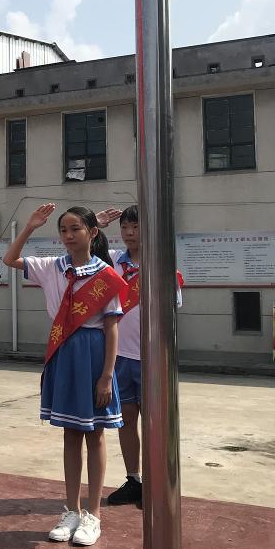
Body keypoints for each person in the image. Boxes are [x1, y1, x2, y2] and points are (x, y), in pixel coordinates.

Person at [2, 204, 127, 547]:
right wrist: (28, 226)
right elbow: (10, 259)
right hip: (63, 352)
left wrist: (106, 375)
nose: (69, 236)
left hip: (94, 353)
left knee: (96, 435)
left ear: (92, 233)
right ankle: (70, 509)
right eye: (63, 230)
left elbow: (112, 327)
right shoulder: (49, 267)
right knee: (71, 434)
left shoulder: (105, 273)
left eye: (76, 229)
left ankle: (93, 515)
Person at [96, 204, 183, 508]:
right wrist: (95, 223)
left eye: (136, 227)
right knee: (126, 419)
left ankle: (158, 483)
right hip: (119, 357)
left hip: (151, 359)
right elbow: (82, 257)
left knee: (154, 422)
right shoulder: (115, 262)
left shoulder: (161, 264)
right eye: (125, 228)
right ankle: (134, 480)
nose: (130, 233)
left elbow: (172, 310)